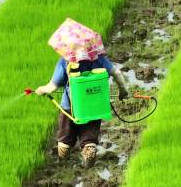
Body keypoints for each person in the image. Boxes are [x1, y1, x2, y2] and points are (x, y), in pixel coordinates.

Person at [36, 19, 129, 168]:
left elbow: (52, 87)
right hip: (94, 105)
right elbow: (116, 73)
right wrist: (123, 91)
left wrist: (41, 90)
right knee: (89, 134)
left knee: (66, 135)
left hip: (70, 107)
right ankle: (89, 147)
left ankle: (64, 152)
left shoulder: (65, 62)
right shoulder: (100, 59)